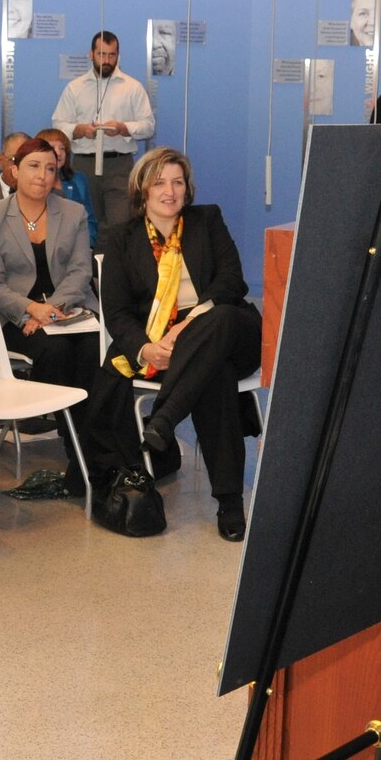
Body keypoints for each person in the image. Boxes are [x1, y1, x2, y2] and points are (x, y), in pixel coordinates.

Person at [89, 148, 262, 541]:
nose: (170, 191)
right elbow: (116, 314)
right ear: (142, 191)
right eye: (160, 182)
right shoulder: (120, 240)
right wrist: (146, 349)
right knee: (212, 371)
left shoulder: (207, 220)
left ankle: (165, 416)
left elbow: (233, 282)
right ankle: (230, 503)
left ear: (187, 188)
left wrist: (185, 327)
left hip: (230, 330)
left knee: (215, 321)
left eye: (178, 182)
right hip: (166, 349)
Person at [0, 137, 98, 497]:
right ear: (13, 170)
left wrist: (51, 311)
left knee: (93, 349)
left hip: (69, 311)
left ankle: (86, 443)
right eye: (33, 166)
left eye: (49, 168)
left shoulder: (72, 212)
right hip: (16, 317)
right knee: (55, 352)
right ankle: (73, 438)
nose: (42, 175)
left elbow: (80, 273)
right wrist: (31, 309)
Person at [52, 31, 155, 228]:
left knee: (121, 226)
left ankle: (114, 260)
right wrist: (79, 130)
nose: (107, 60)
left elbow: (148, 126)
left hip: (119, 165)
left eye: (112, 55)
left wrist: (124, 128)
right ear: (91, 54)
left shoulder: (133, 87)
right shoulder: (75, 88)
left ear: (118, 55)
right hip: (83, 165)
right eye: (101, 54)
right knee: (83, 224)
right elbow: (58, 125)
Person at [36, 126, 98, 245]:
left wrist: (84, 246)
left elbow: (90, 221)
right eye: (52, 147)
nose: (58, 153)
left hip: (77, 249)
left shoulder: (78, 180)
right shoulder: (32, 181)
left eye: (62, 148)